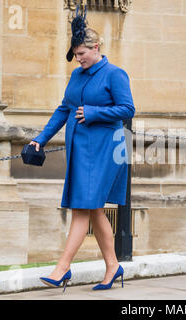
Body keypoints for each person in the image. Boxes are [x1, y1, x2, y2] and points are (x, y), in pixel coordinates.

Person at [32, 8, 135, 291]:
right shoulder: (77, 76)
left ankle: (62, 268)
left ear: (96, 48)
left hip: (106, 151)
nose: (78, 59)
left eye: (82, 54)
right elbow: (63, 109)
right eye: (76, 55)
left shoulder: (115, 74)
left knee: (82, 208)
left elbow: (128, 108)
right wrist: (40, 138)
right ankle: (113, 266)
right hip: (81, 152)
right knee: (94, 209)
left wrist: (93, 113)